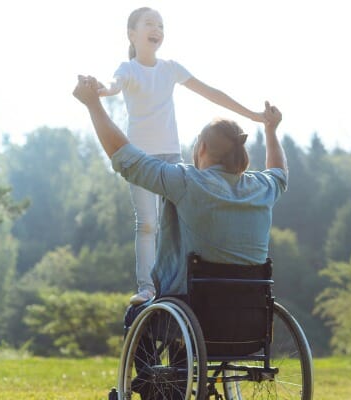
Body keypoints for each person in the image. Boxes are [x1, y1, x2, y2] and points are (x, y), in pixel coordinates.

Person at [95, 7, 267, 304]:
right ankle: (147, 287)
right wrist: (98, 91)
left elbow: (211, 93)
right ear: (132, 34)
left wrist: (253, 115)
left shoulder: (170, 68)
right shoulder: (128, 69)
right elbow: (112, 86)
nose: (157, 29)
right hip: (139, 158)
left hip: (171, 157)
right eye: (150, 24)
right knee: (148, 223)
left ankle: (177, 282)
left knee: (177, 224)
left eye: (160, 25)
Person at [73, 75, 287, 297]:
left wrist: (93, 104)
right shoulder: (263, 187)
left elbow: (126, 158)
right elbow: (279, 173)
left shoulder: (186, 181)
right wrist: (270, 131)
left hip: (192, 305)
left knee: (134, 316)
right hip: (249, 311)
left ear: (202, 148)